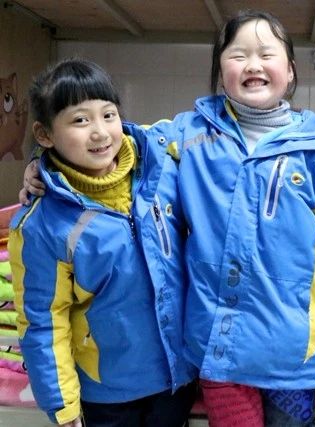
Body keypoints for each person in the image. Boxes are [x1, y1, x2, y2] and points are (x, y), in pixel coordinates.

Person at [151, 10, 315, 427]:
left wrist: (293, 288)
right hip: (218, 343)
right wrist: (41, 165)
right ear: (220, 70)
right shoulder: (187, 135)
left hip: (292, 350)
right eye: (238, 55)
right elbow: (116, 146)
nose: (253, 65)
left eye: (266, 54)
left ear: (290, 71)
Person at [9, 58, 196, 427]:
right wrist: (61, 405)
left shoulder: (161, 170)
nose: (100, 132)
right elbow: (43, 323)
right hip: (106, 395)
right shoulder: (41, 224)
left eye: (108, 115)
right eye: (80, 120)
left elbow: (206, 132)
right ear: (45, 135)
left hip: (177, 380)